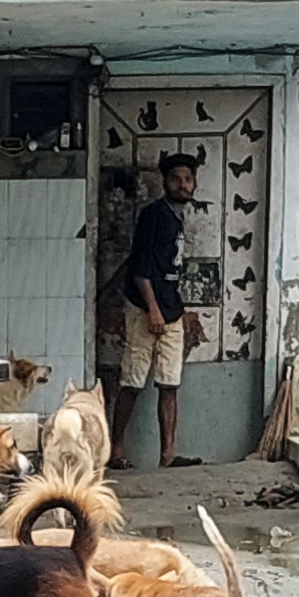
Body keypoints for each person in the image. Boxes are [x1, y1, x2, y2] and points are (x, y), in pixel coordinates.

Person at [110, 147, 197, 469]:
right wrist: (153, 310)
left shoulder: (177, 217)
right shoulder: (154, 216)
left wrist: (172, 311)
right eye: (176, 179)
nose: (183, 184)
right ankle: (115, 451)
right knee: (132, 380)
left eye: (188, 179)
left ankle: (168, 454)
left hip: (172, 309)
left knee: (169, 383)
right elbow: (140, 270)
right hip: (144, 308)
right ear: (165, 182)